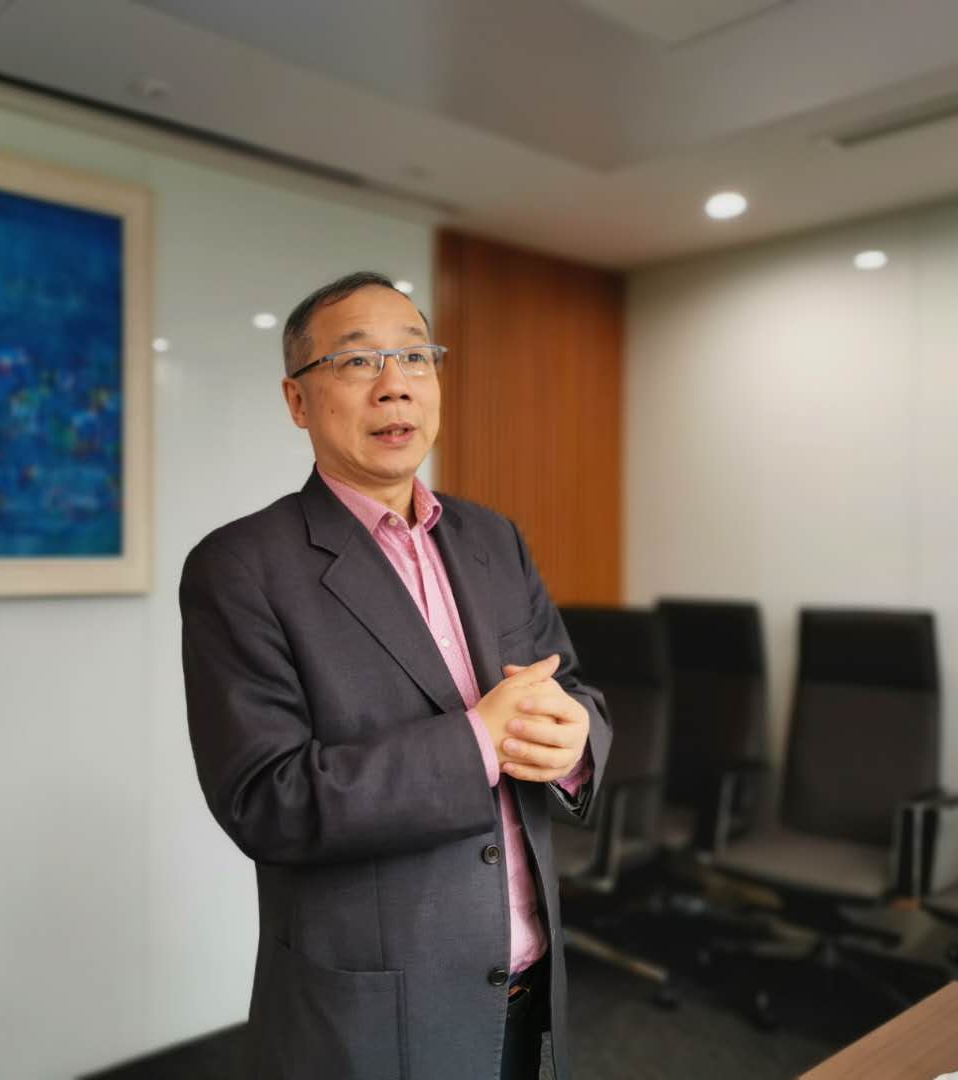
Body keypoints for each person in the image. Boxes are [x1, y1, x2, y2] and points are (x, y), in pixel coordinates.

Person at [180, 271, 612, 1080]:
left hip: (529, 987)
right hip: (374, 1018)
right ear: (297, 399)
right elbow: (266, 800)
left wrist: (576, 740)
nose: (395, 385)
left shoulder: (494, 538)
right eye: (357, 361)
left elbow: (573, 688)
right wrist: (476, 743)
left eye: (415, 356)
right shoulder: (240, 566)